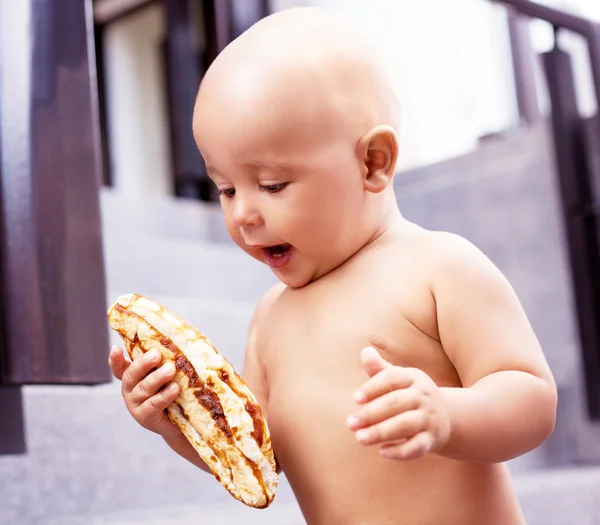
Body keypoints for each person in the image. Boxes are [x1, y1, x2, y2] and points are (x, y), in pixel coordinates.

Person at [108, 6, 557, 524]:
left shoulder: (438, 267)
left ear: (373, 163)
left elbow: (532, 400)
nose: (243, 213)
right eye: (226, 189)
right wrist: (174, 423)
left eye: (272, 185)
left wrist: (448, 415)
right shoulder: (269, 319)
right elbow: (256, 454)